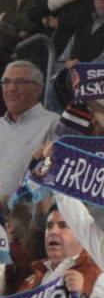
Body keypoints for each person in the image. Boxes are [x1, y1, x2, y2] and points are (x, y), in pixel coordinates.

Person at [0, 60, 58, 205]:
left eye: (20, 82)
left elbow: (52, 179)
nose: (11, 88)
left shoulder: (53, 124)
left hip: (21, 220)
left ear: (38, 89)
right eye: (6, 82)